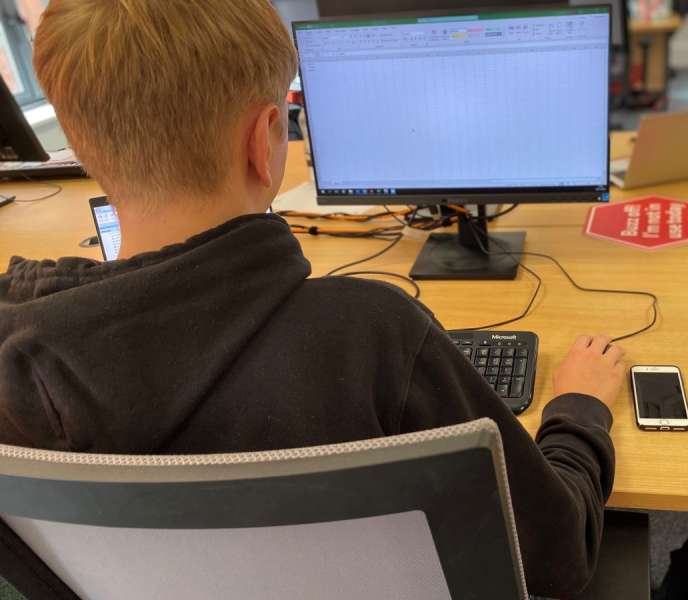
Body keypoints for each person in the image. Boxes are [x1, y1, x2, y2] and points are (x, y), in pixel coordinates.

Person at [0, 1, 627, 596]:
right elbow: (560, 554)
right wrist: (577, 410)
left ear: (80, 144)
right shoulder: (371, 334)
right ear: (265, 136)